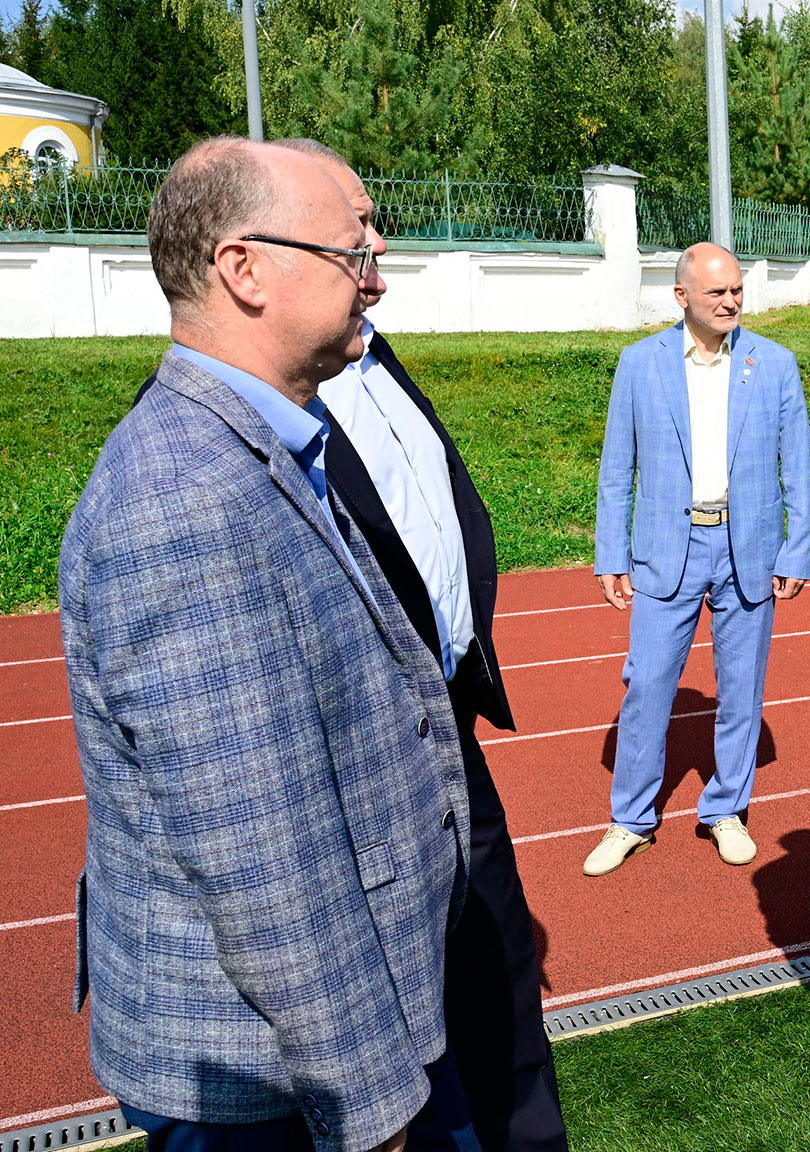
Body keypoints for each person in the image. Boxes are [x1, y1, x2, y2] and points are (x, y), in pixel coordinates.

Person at [61, 137, 476, 1151]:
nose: (376, 273)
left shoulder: (266, 439)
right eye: (351, 249)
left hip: (322, 1037)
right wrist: (368, 1106)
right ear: (242, 269)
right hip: (269, 1079)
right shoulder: (183, 498)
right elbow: (259, 851)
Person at [270, 139, 568, 1152]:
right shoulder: (256, 419)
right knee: (399, 997)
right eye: (357, 230)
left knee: (502, 969)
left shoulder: (369, 350)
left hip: (446, 720)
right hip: (357, 756)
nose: (380, 248)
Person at [587, 243, 810, 874]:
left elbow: (796, 465)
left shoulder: (774, 364)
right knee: (647, 688)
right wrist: (611, 553)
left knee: (741, 691)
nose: (731, 301)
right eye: (717, 292)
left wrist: (796, 549)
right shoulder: (640, 363)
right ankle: (631, 819)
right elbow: (617, 468)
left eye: (737, 289)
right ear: (682, 296)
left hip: (750, 547)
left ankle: (726, 810)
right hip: (668, 548)